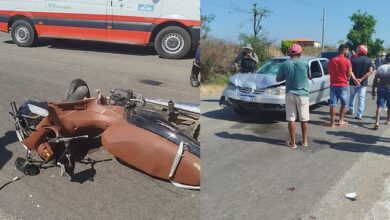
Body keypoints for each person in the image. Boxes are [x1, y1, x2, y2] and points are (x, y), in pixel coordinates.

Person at [276, 44, 310, 149]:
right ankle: (304, 141)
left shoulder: (285, 64)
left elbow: (278, 79)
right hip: (303, 94)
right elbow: (309, 76)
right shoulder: (305, 63)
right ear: (300, 53)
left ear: (289, 53)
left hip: (290, 93)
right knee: (304, 119)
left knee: (291, 118)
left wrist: (288, 76)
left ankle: (293, 143)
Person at [326, 44, 360, 127]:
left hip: (333, 84)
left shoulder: (331, 60)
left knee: (332, 104)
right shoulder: (347, 61)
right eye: (347, 50)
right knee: (344, 104)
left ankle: (331, 123)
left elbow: (329, 71)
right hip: (343, 85)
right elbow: (348, 74)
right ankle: (340, 121)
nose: (348, 52)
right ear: (344, 50)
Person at [347, 44, 374, 119]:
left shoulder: (353, 60)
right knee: (361, 98)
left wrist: (355, 79)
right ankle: (359, 115)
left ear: (358, 51)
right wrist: (361, 79)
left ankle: (351, 110)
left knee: (352, 96)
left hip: (353, 82)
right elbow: (370, 71)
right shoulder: (369, 60)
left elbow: (350, 71)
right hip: (363, 83)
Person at [372, 53, 390, 129]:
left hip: (381, 89)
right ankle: (388, 120)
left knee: (379, 106)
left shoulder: (380, 68)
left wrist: (373, 89)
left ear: (385, 59)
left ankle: (377, 122)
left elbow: (375, 80)